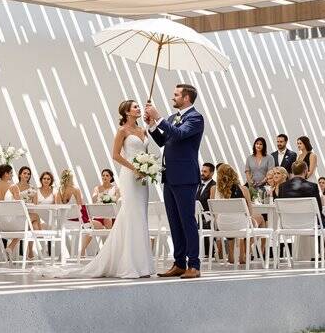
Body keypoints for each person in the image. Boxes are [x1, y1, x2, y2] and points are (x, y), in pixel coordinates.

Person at [39, 100, 156, 279]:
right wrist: (135, 168)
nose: (138, 108)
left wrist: (147, 167)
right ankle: (128, 264)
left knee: (140, 216)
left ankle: (143, 265)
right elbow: (115, 155)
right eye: (135, 107)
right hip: (130, 176)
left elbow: (146, 152)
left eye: (139, 107)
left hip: (143, 178)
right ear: (126, 112)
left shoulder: (143, 130)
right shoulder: (122, 131)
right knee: (131, 214)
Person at [146, 84, 205, 279]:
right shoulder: (173, 118)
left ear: (186, 98)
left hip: (186, 177)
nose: (173, 98)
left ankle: (194, 265)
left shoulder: (195, 118)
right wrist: (153, 125)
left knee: (187, 221)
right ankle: (179, 263)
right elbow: (164, 141)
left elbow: (179, 134)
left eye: (176, 95)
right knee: (174, 221)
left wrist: (159, 116)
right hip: (169, 176)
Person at [210, 164, 263, 264]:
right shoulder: (243, 189)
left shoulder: (213, 189)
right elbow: (249, 212)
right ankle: (246, 253)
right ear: (234, 174)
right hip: (240, 225)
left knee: (230, 220)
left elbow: (213, 211)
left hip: (222, 225)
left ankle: (231, 256)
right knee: (259, 219)